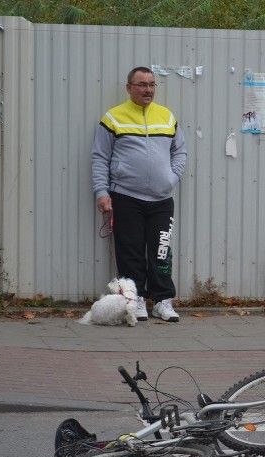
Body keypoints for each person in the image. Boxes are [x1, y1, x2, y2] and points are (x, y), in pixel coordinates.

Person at [91, 67, 187, 322]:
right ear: (129, 87)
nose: (148, 90)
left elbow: (180, 152)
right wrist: (102, 192)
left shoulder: (166, 117)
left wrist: (171, 177)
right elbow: (100, 157)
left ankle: (163, 301)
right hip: (126, 196)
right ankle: (138, 299)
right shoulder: (113, 118)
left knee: (161, 252)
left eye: (152, 85)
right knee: (130, 252)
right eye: (142, 84)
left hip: (161, 199)